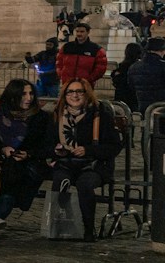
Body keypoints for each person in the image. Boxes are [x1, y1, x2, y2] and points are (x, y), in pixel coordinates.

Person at [0, 78, 56, 234]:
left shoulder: (41, 118)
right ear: (12, 96)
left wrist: (28, 154)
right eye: (23, 94)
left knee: (13, 180)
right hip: (0, 162)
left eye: (31, 94)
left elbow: (47, 147)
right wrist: (2, 150)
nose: (29, 98)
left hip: (28, 164)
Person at [48, 78, 124, 239]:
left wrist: (88, 150)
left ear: (87, 94)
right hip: (66, 163)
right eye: (70, 92)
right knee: (60, 181)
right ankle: (60, 226)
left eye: (79, 92)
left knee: (85, 184)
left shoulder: (100, 115)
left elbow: (114, 146)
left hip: (95, 165)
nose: (74, 95)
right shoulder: (58, 115)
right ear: (64, 94)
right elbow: (46, 143)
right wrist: (57, 150)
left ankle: (89, 228)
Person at [55, 22, 108, 92]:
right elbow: (59, 62)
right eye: (77, 31)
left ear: (88, 32)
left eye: (82, 31)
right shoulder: (66, 47)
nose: (79, 34)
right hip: (67, 83)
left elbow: (100, 68)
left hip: (85, 85)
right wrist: (62, 75)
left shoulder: (96, 49)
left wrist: (89, 79)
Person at [128, 38, 165, 113]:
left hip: (142, 108)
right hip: (161, 109)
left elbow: (131, 87)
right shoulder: (163, 66)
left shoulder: (134, 67)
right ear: (162, 50)